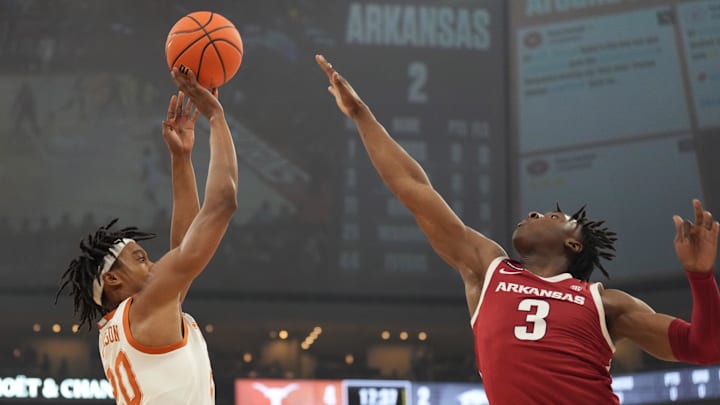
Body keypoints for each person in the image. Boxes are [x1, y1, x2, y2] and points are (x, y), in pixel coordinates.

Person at [315, 54, 720, 404]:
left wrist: (701, 277)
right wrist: (360, 114)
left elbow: (704, 348)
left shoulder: (606, 304)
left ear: (572, 244)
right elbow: (414, 188)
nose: (535, 212)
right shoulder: (488, 268)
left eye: (553, 216)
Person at [56, 68, 238, 405]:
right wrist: (215, 116)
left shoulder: (127, 322)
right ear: (112, 279)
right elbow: (222, 204)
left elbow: (184, 248)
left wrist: (181, 158)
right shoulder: (146, 309)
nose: (154, 263)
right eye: (140, 258)